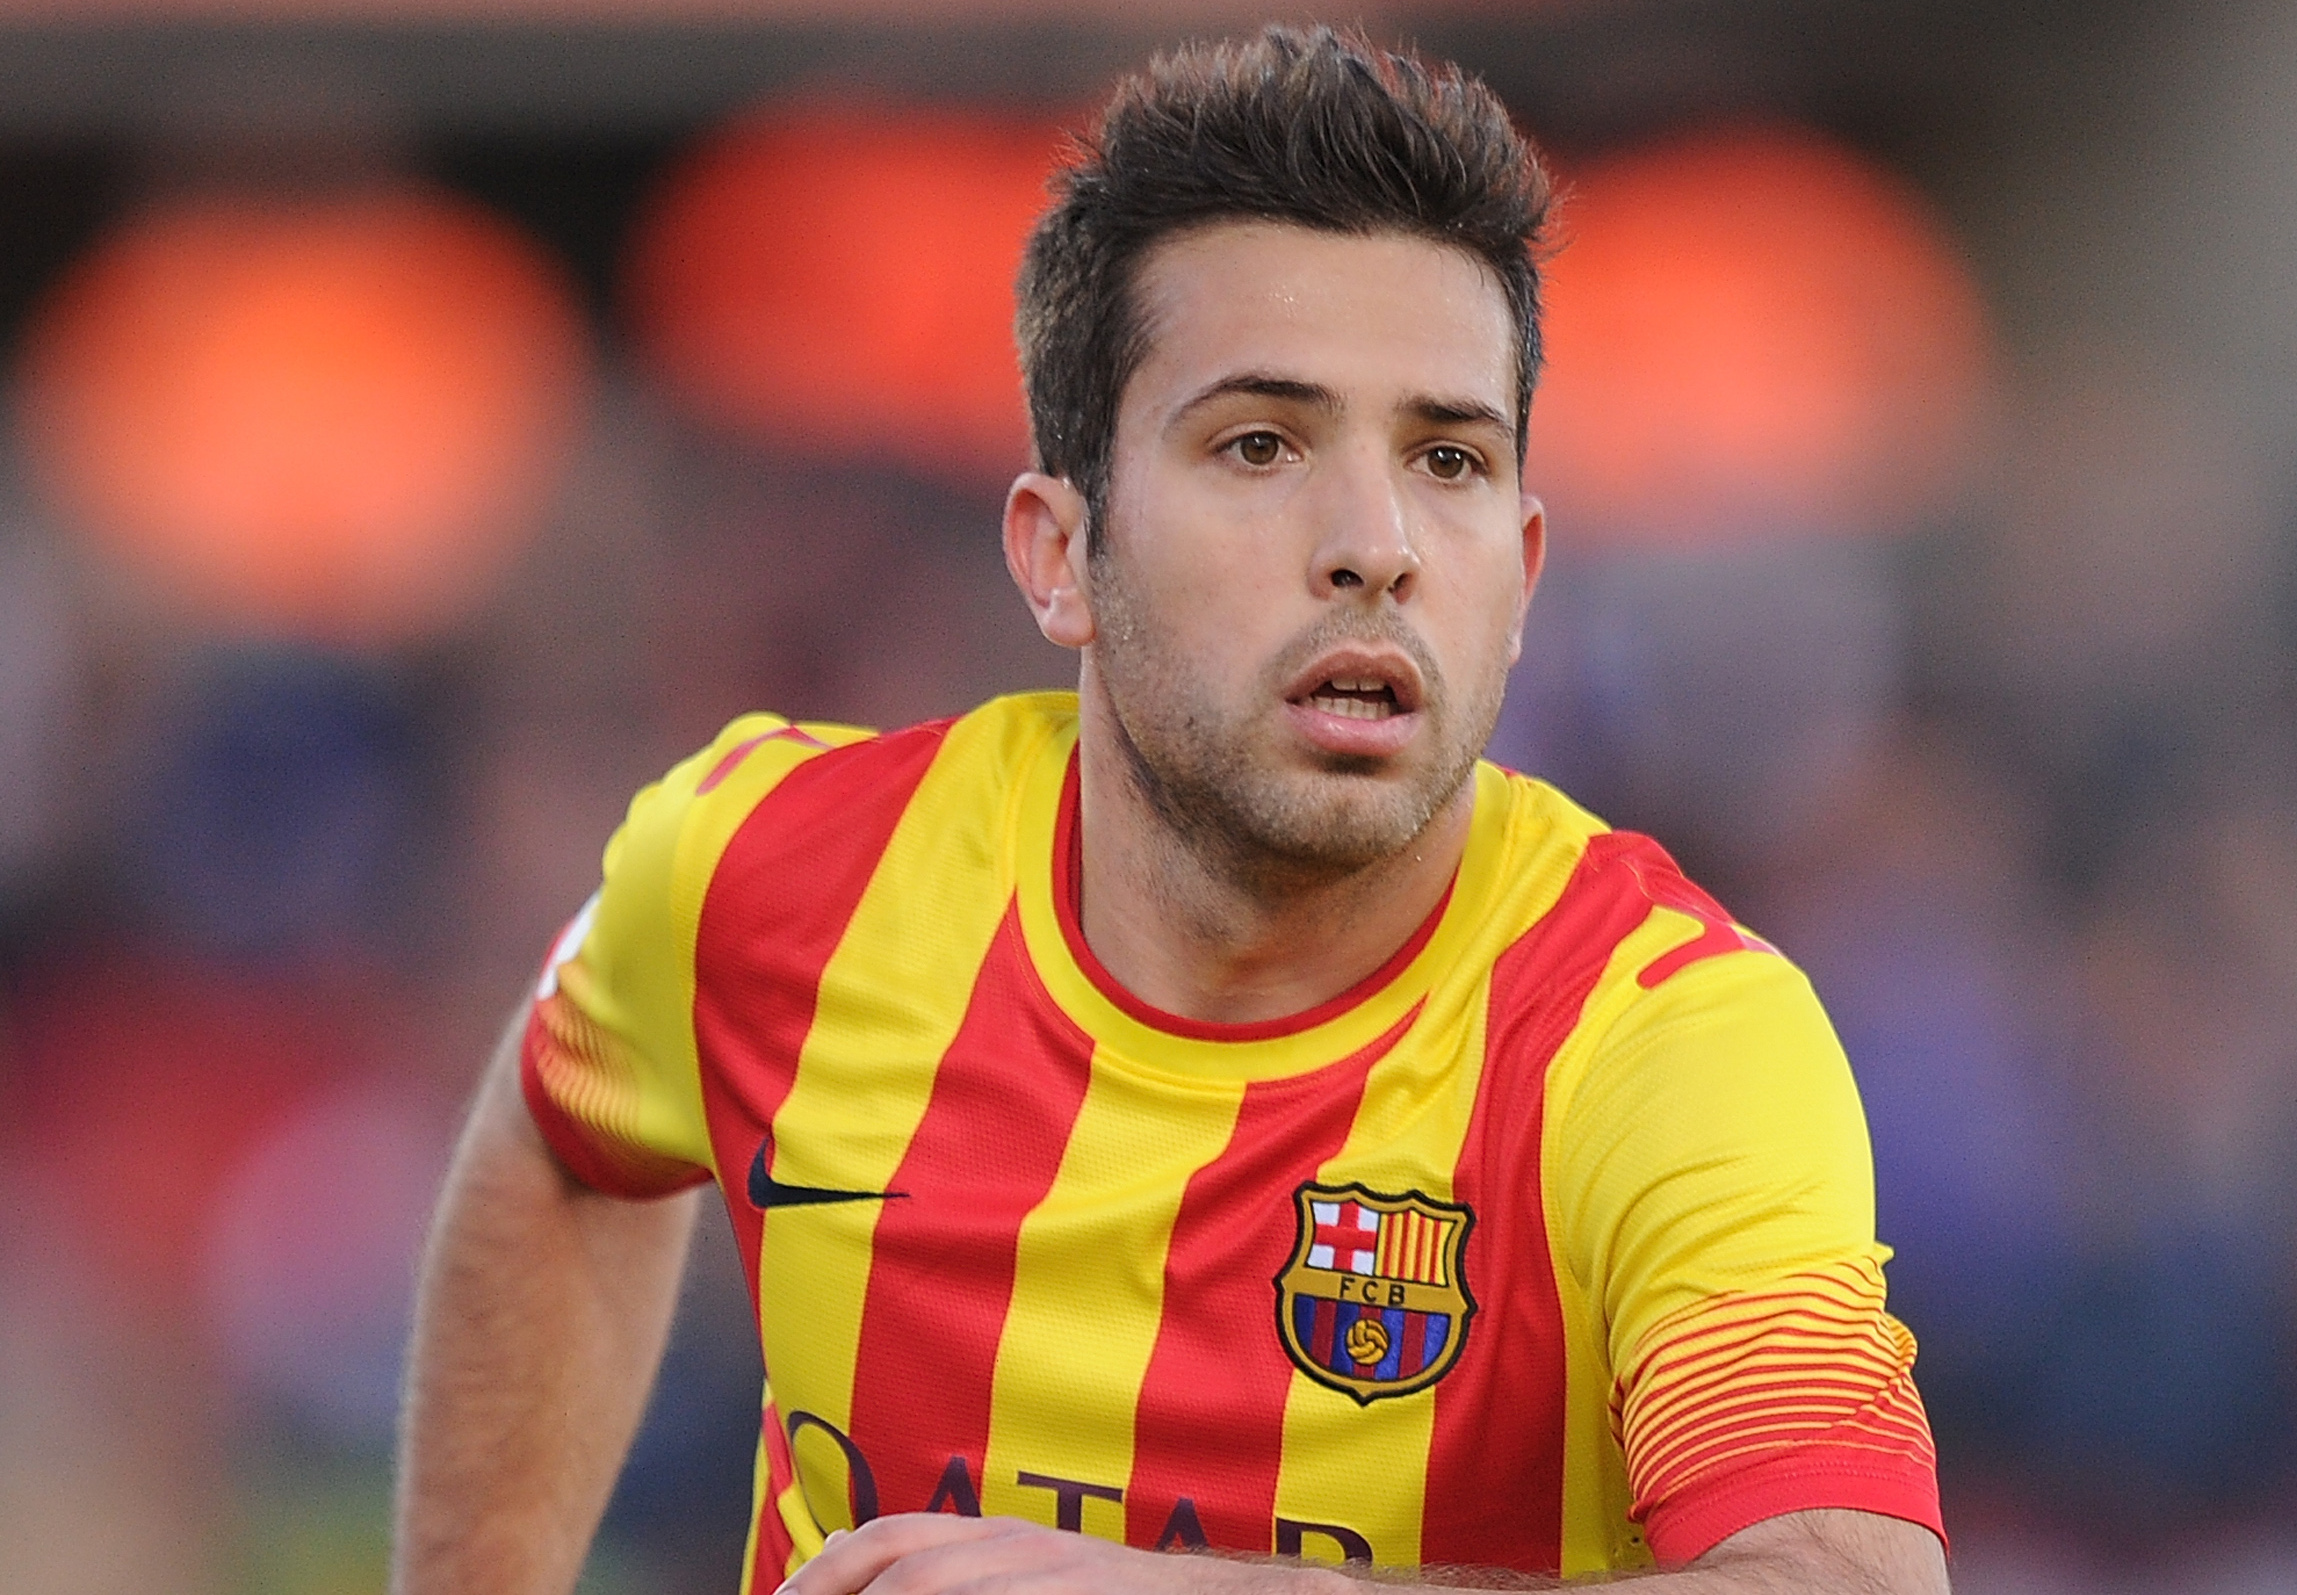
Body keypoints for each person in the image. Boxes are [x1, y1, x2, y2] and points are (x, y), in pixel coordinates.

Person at [392, 26, 1949, 1595]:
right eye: (1260, 443)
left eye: (1448, 459)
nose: (1373, 541)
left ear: (1523, 576)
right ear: (1058, 554)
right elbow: (562, 1150)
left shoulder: (1660, 1037)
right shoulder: (768, 872)